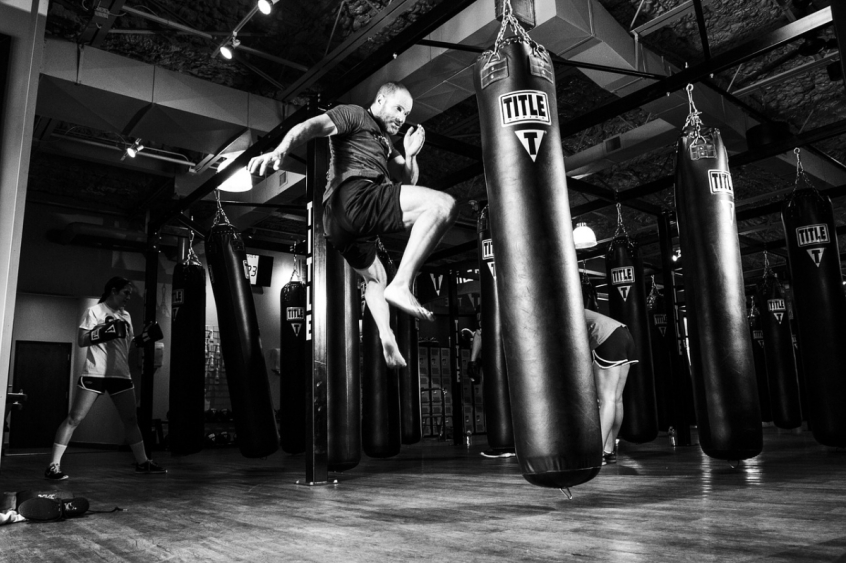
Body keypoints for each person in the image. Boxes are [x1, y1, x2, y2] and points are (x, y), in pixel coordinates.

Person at [248, 82, 457, 369]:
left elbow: (407, 179)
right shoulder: (354, 115)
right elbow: (311, 126)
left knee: (376, 279)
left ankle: (386, 335)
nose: (401, 117)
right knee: (442, 205)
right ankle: (402, 284)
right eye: (398, 108)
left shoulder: (386, 142)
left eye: (406, 114)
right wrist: (280, 150)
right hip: (354, 196)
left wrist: (410, 155)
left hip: (342, 226)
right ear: (380, 100)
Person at [44, 277, 166, 480]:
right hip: (95, 373)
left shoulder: (126, 315)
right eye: (126, 292)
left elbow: (127, 344)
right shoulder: (94, 311)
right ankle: (53, 466)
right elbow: (82, 340)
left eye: (130, 293)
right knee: (74, 418)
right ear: (113, 291)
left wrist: (144, 338)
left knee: (131, 420)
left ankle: (143, 462)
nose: (129, 297)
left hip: (121, 374)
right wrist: (104, 332)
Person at [585, 308, 638, 465]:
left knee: (606, 399)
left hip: (607, 337)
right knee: (616, 399)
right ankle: (608, 450)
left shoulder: (558, 309)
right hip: (624, 334)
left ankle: (597, 454)